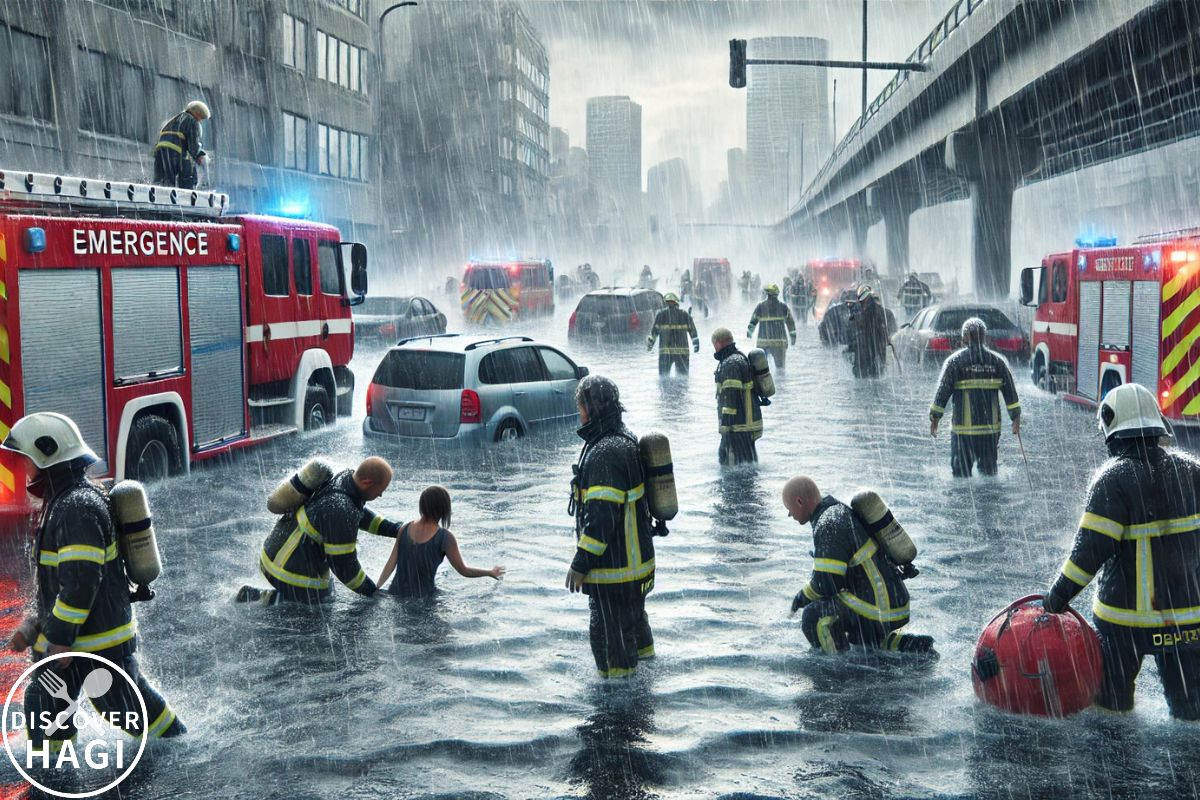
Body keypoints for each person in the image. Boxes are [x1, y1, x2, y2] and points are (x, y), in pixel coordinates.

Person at [2, 412, 186, 749]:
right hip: (81, 640)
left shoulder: (76, 508)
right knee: (46, 705)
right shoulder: (65, 502)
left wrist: (59, 640)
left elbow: (80, 583)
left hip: (95, 642)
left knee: (123, 707)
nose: (25, 469)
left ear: (47, 455)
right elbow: (57, 585)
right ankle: (51, 767)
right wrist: (33, 628)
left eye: (28, 459)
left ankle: (179, 746)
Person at [1042, 383, 1200, 719]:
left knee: (1111, 714)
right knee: (1190, 713)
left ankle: (1115, 771)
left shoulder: (1113, 479)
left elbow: (1088, 553)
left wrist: (1057, 597)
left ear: (1111, 429)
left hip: (1123, 623)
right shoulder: (1192, 471)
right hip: (1188, 620)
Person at [566, 375, 656, 679]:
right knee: (635, 632)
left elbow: (601, 519)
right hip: (637, 567)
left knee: (610, 644)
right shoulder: (623, 438)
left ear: (590, 408)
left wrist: (580, 563)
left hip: (615, 573)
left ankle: (619, 716)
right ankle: (643, 698)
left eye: (580, 406)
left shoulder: (605, 452)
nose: (579, 413)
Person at [783, 476, 933, 654]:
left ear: (799, 501)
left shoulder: (828, 523)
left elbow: (827, 582)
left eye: (789, 509)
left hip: (876, 608)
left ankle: (835, 669)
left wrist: (800, 598)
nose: (789, 515)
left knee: (814, 616)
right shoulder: (838, 512)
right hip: (893, 603)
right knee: (860, 639)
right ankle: (904, 645)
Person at [239, 457, 400, 604]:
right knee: (317, 603)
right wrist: (372, 591)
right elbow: (344, 567)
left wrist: (395, 529)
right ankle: (259, 598)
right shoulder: (340, 508)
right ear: (367, 482)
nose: (380, 495)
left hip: (273, 554)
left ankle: (279, 596)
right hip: (285, 571)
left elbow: (358, 514)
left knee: (325, 593)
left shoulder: (344, 480)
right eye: (380, 489)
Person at [929, 317, 1021, 478]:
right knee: (988, 475)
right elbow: (1010, 393)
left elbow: (942, 392)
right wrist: (1015, 419)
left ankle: (965, 501)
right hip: (989, 431)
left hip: (963, 432)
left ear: (965, 337)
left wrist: (935, 418)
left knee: (961, 476)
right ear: (984, 337)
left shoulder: (955, 362)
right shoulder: (997, 362)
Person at [376, 486, 504, 598]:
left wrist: (377, 587)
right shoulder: (445, 537)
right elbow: (463, 570)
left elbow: (390, 563)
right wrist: (489, 572)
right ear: (444, 508)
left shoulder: (405, 528)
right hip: (424, 600)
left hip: (396, 594)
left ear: (422, 505)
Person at [712, 328, 762, 466]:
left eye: (714, 345)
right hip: (746, 424)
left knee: (736, 464)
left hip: (738, 426)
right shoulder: (738, 358)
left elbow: (730, 397)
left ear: (719, 343)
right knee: (746, 461)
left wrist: (726, 426)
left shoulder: (730, 364)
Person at [152, 100, 210, 189]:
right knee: (187, 174)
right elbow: (193, 146)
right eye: (200, 118)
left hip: (160, 150)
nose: (200, 120)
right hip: (174, 149)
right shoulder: (192, 120)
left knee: (163, 180)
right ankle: (188, 193)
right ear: (197, 113)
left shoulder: (174, 120)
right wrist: (199, 155)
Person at [646, 293, 699, 375]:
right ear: (677, 303)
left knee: (663, 378)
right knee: (683, 378)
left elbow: (654, 333)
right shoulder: (685, 315)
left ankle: (666, 388)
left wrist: (650, 345)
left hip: (665, 353)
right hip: (682, 352)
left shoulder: (661, 315)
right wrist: (696, 345)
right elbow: (693, 332)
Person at [747, 285, 797, 368]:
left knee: (761, 369)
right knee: (780, 369)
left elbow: (753, 321)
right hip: (779, 344)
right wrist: (793, 337)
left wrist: (749, 333)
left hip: (763, 343)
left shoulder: (760, 306)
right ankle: (780, 381)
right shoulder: (783, 307)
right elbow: (790, 323)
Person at [848, 284, 890, 378]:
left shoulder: (864, 313)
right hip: (876, 353)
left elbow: (859, 326)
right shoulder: (884, 313)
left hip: (868, 353)